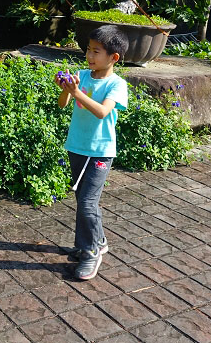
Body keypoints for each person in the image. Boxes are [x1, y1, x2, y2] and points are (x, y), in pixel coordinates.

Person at [55, 25, 128, 280]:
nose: (89, 55)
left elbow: (102, 111)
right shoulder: (83, 76)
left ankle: (90, 252)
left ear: (113, 57)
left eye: (96, 51)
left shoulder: (117, 85)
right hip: (77, 146)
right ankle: (96, 240)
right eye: (88, 49)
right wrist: (67, 88)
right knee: (83, 202)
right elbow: (62, 103)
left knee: (87, 203)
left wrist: (76, 92)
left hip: (100, 151)